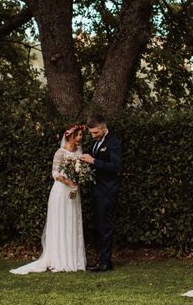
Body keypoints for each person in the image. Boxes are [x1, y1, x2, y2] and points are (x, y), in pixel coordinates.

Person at [10, 124, 87, 274]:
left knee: (72, 221)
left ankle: (73, 259)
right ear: (70, 136)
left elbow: (80, 170)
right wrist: (69, 182)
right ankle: (59, 258)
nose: (80, 138)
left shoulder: (79, 151)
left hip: (74, 191)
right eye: (78, 135)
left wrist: (80, 178)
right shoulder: (60, 152)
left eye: (81, 135)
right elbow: (55, 173)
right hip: (61, 191)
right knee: (61, 221)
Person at [80, 113, 122, 272]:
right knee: (99, 226)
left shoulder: (113, 142)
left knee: (105, 227)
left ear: (103, 127)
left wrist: (94, 161)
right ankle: (102, 260)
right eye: (91, 133)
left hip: (107, 192)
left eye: (95, 133)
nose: (92, 136)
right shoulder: (97, 142)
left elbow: (115, 167)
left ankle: (105, 262)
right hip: (97, 191)